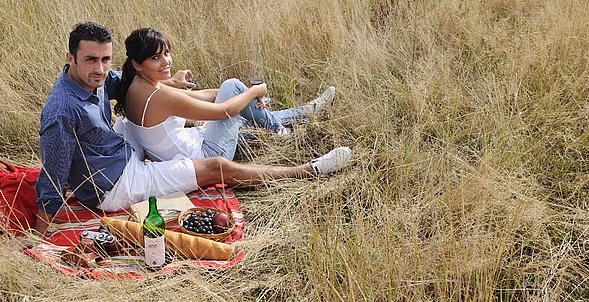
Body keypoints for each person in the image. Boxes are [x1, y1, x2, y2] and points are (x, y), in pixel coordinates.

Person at [34, 22, 352, 237]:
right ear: (70, 58)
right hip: (115, 183)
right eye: (91, 60)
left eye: (106, 59)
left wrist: (170, 83)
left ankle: (298, 116)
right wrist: (37, 237)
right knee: (216, 167)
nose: (101, 69)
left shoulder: (100, 80)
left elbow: (127, 81)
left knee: (233, 125)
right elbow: (52, 179)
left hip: (121, 147)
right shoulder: (61, 111)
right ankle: (309, 170)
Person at [113, 27, 338, 162]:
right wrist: (254, 91)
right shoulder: (159, 97)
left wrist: (244, 97)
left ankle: (305, 112)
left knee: (241, 105)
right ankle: (281, 130)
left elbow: (200, 96)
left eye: (167, 53)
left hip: (190, 147)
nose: (166, 62)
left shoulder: (136, 85)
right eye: (156, 58)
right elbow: (223, 111)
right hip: (207, 155)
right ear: (138, 63)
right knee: (233, 86)